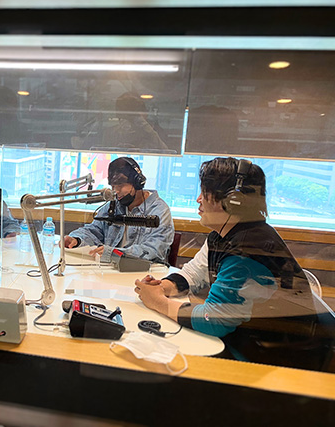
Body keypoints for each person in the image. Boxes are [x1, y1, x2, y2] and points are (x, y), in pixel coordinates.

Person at [135, 157, 331, 369]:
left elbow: (214, 320)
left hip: (273, 362)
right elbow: (194, 273)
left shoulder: (247, 250)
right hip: (251, 344)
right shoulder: (223, 237)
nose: (198, 199)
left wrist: (158, 302)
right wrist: (163, 287)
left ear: (232, 201)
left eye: (205, 192)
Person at [64, 157, 174, 264]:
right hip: (110, 269)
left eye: (120, 186)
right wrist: (77, 240)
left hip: (146, 272)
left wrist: (114, 254)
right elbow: (94, 230)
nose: (116, 191)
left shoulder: (159, 211)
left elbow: (154, 250)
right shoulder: (114, 205)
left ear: (137, 183)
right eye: (113, 186)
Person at [101, 92, 168, 152]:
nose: (130, 118)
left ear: (145, 113)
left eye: (134, 114)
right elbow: (103, 155)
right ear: (118, 115)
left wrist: (146, 129)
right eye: (125, 114)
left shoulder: (155, 133)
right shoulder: (110, 134)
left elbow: (166, 153)